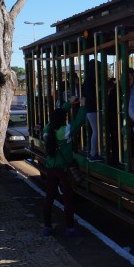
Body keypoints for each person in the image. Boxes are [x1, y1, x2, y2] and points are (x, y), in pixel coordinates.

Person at [42, 96, 87, 236]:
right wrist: (83, 106)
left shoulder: (47, 129)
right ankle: (69, 228)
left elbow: (58, 115)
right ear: (63, 119)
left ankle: (47, 227)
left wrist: (68, 104)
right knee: (68, 199)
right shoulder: (65, 131)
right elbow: (79, 121)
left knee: (49, 197)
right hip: (63, 169)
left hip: (50, 168)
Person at [82, 59, 102, 162]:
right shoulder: (91, 80)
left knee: (95, 130)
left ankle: (93, 152)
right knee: (96, 130)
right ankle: (93, 153)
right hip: (93, 108)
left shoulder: (87, 80)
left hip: (90, 108)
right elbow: (91, 95)